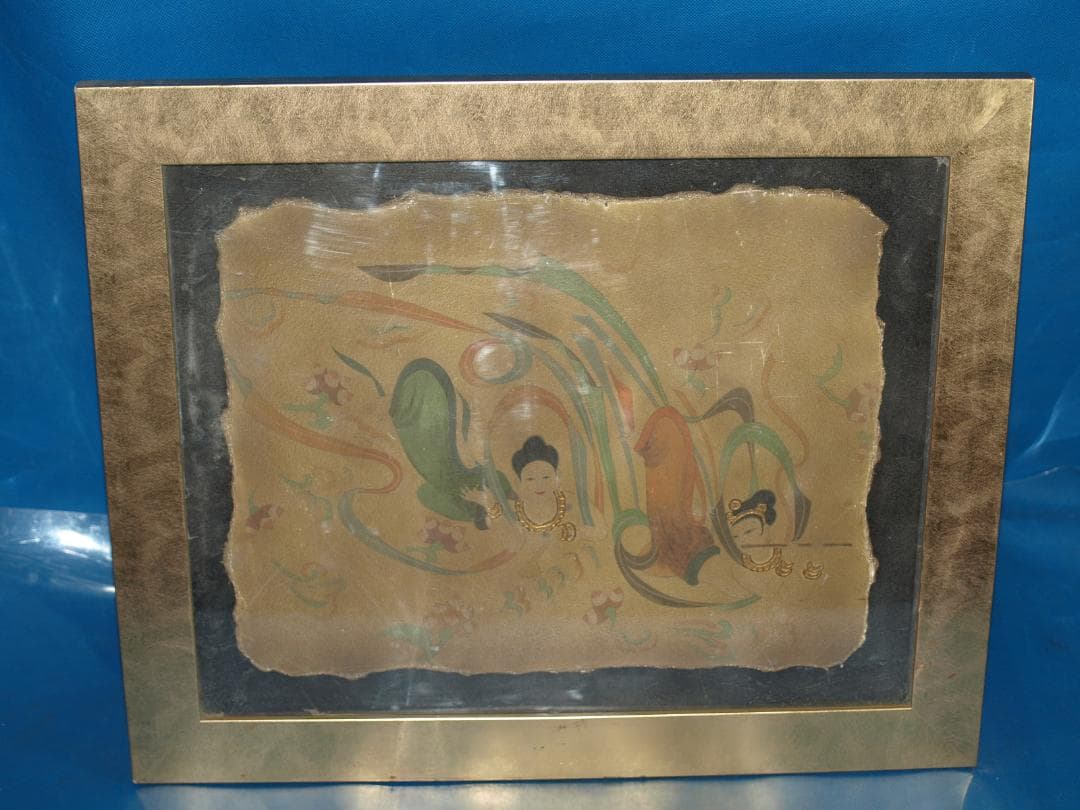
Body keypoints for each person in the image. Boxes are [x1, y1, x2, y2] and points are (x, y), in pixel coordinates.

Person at [510, 436, 576, 541]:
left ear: (557, 477)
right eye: (530, 479)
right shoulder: (509, 511)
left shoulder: (574, 504)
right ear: (518, 483)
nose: (539, 485)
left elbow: (599, 532)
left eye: (546, 477)